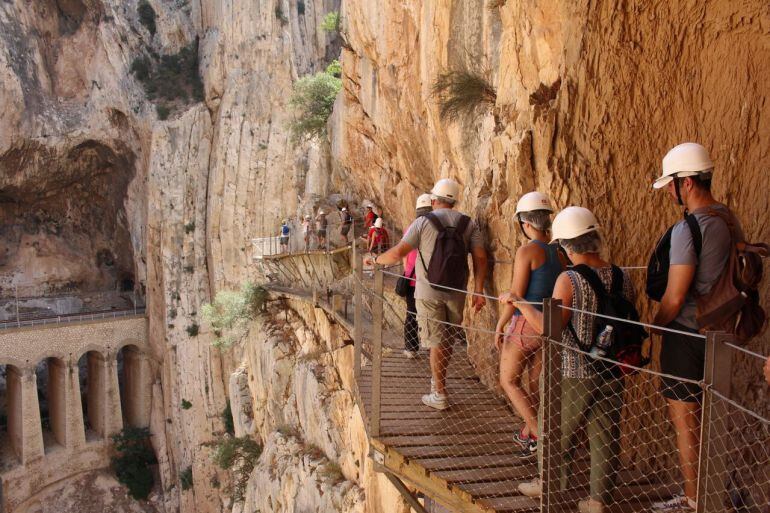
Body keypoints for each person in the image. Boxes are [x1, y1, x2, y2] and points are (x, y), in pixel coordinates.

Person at [511, 207, 632, 513]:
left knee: (552, 427)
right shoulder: (621, 275)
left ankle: (547, 483)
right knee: (604, 432)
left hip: (576, 368)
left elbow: (550, 328)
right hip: (612, 366)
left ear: (565, 245)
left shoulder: (570, 279)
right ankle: (598, 500)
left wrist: (521, 304)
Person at [649, 142, 744, 513]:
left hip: (687, 334)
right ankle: (715, 496)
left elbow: (674, 297)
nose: (670, 192)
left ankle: (694, 500)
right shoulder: (729, 218)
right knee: (714, 421)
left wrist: (656, 327)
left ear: (686, 182)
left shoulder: (689, 228)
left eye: (671, 184)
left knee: (687, 423)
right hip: (723, 332)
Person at [374, 178, 488, 410]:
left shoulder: (423, 222)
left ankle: (439, 392)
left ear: (434, 200)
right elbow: (480, 257)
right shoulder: (469, 224)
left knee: (436, 340)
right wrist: (479, 290)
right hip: (457, 291)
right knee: (446, 339)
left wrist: (376, 260)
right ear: (454, 200)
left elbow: (398, 253)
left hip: (428, 291)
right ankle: (438, 382)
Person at [496, 192, 563, 457]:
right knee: (535, 385)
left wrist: (500, 325)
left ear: (525, 223)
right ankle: (531, 433)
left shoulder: (527, 251)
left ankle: (539, 436)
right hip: (549, 325)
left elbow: (515, 294)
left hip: (525, 323)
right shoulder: (561, 251)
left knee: (509, 380)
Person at [402, 193, 432, 358]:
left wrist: (407, 271)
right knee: (429, 314)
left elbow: (404, 254)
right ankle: (429, 344)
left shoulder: (411, 227)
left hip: (412, 278)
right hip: (429, 280)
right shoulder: (435, 229)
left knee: (412, 313)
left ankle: (411, 348)